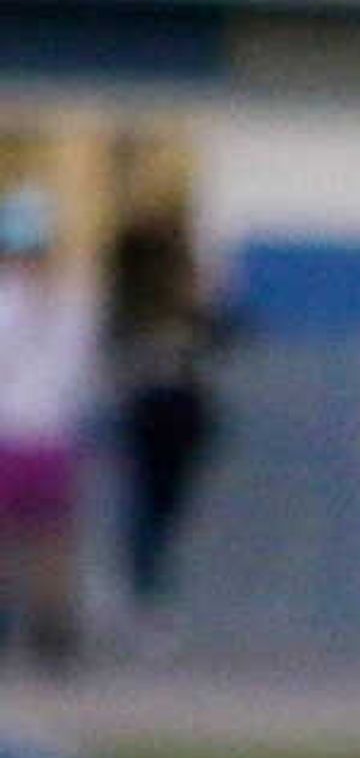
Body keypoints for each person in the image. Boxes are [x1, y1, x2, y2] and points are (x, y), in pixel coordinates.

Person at [105, 215, 225, 650]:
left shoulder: (191, 308)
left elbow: (227, 334)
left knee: (163, 506)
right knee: (147, 505)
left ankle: (148, 591)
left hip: (182, 408)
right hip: (151, 408)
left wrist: (208, 296)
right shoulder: (134, 306)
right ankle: (141, 595)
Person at [0, 189, 101, 671]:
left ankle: (43, 631)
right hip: (41, 433)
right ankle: (47, 632)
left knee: (35, 539)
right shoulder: (67, 304)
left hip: (26, 431)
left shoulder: (43, 303)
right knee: (45, 539)